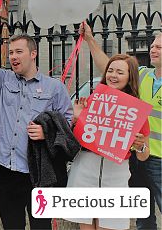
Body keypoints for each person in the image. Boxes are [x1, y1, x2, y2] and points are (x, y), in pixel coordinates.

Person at [0, 0, 73, 229]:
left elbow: (67, 123)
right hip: (6, 170)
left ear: (33, 54)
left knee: (41, 226)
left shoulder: (54, 88)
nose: (12, 57)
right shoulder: (4, 80)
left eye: (18, 52)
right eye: (10, 52)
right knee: (11, 225)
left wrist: (47, 132)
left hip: (38, 173)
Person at [80, 23, 161, 230]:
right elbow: (109, 66)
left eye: (159, 47)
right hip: (134, 155)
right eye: (153, 45)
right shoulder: (141, 74)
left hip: (159, 160)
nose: (153, 49)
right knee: (143, 216)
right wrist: (90, 39)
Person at [65, 54, 150, 230]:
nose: (113, 75)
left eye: (120, 72)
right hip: (85, 169)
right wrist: (77, 118)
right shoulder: (91, 100)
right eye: (110, 70)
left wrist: (140, 145)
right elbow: (75, 140)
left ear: (130, 77)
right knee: (86, 225)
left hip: (116, 174)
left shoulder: (137, 111)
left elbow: (143, 156)